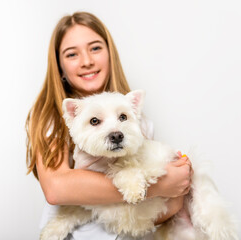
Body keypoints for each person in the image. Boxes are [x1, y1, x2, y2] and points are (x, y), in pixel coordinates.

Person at [26, 11, 193, 240]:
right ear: (60, 67)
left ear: (110, 53)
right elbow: (56, 188)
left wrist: (173, 194)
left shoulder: (140, 123)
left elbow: (155, 215)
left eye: (95, 48)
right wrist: (158, 187)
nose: (87, 61)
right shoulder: (53, 117)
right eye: (72, 54)